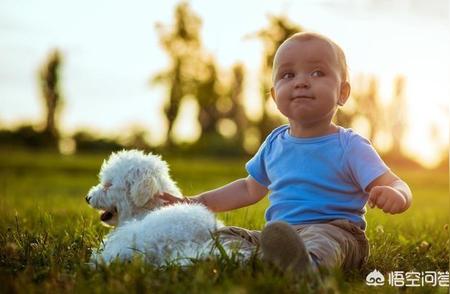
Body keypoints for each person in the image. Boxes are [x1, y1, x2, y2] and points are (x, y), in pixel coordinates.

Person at [158, 32, 412, 273]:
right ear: (274, 94)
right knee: (226, 235)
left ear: (342, 93)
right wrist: (195, 202)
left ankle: (306, 267)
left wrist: (397, 195)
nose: (301, 81)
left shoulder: (350, 146)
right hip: (282, 234)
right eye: (288, 75)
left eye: (317, 72)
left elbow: (396, 183)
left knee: (323, 241)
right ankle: (249, 260)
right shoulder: (274, 143)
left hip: (337, 232)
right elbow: (248, 189)